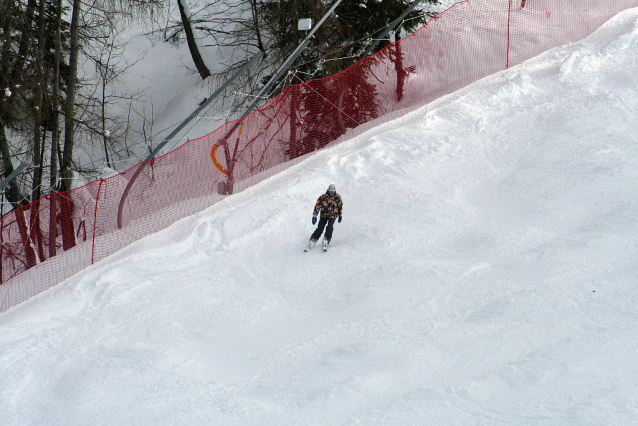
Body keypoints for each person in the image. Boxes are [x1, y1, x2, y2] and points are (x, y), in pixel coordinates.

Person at [305, 184, 343, 251]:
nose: (331, 194)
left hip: (333, 215)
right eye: (330, 192)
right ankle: (313, 240)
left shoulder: (338, 197)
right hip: (324, 215)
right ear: (328, 191)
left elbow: (340, 206)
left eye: (333, 192)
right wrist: (315, 215)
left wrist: (340, 215)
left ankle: (326, 240)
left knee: (330, 227)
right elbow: (317, 206)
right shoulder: (323, 197)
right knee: (320, 228)